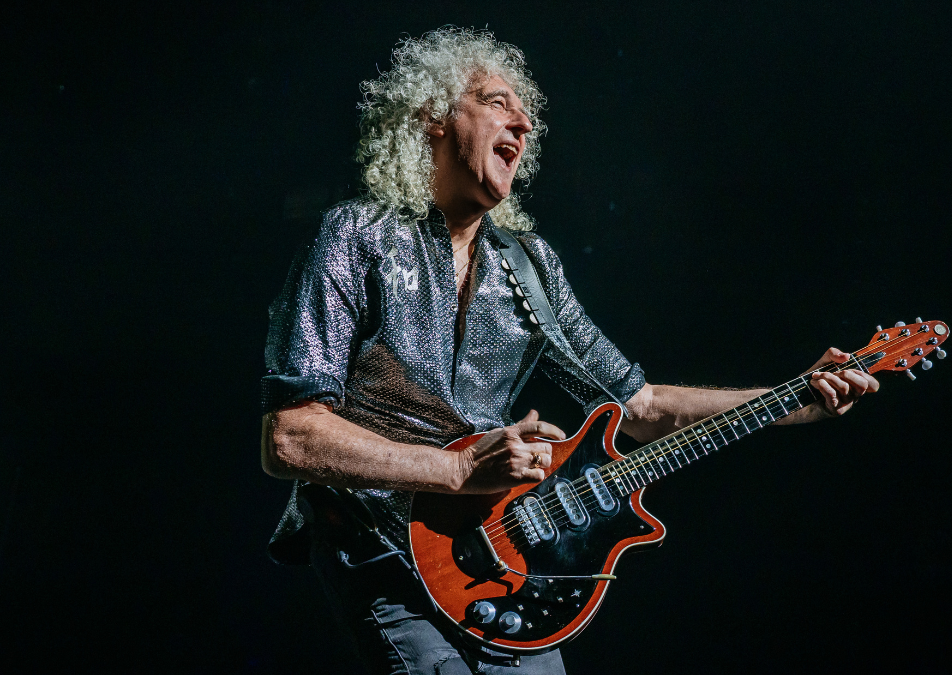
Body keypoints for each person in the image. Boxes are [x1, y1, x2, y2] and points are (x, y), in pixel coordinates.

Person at [259, 27, 879, 675]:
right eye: (497, 101)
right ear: (432, 118)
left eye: (524, 112)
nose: (523, 122)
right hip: (381, 550)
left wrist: (794, 395)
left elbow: (638, 404)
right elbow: (292, 438)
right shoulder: (358, 235)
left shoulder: (529, 266)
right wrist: (458, 471)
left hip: (500, 568)